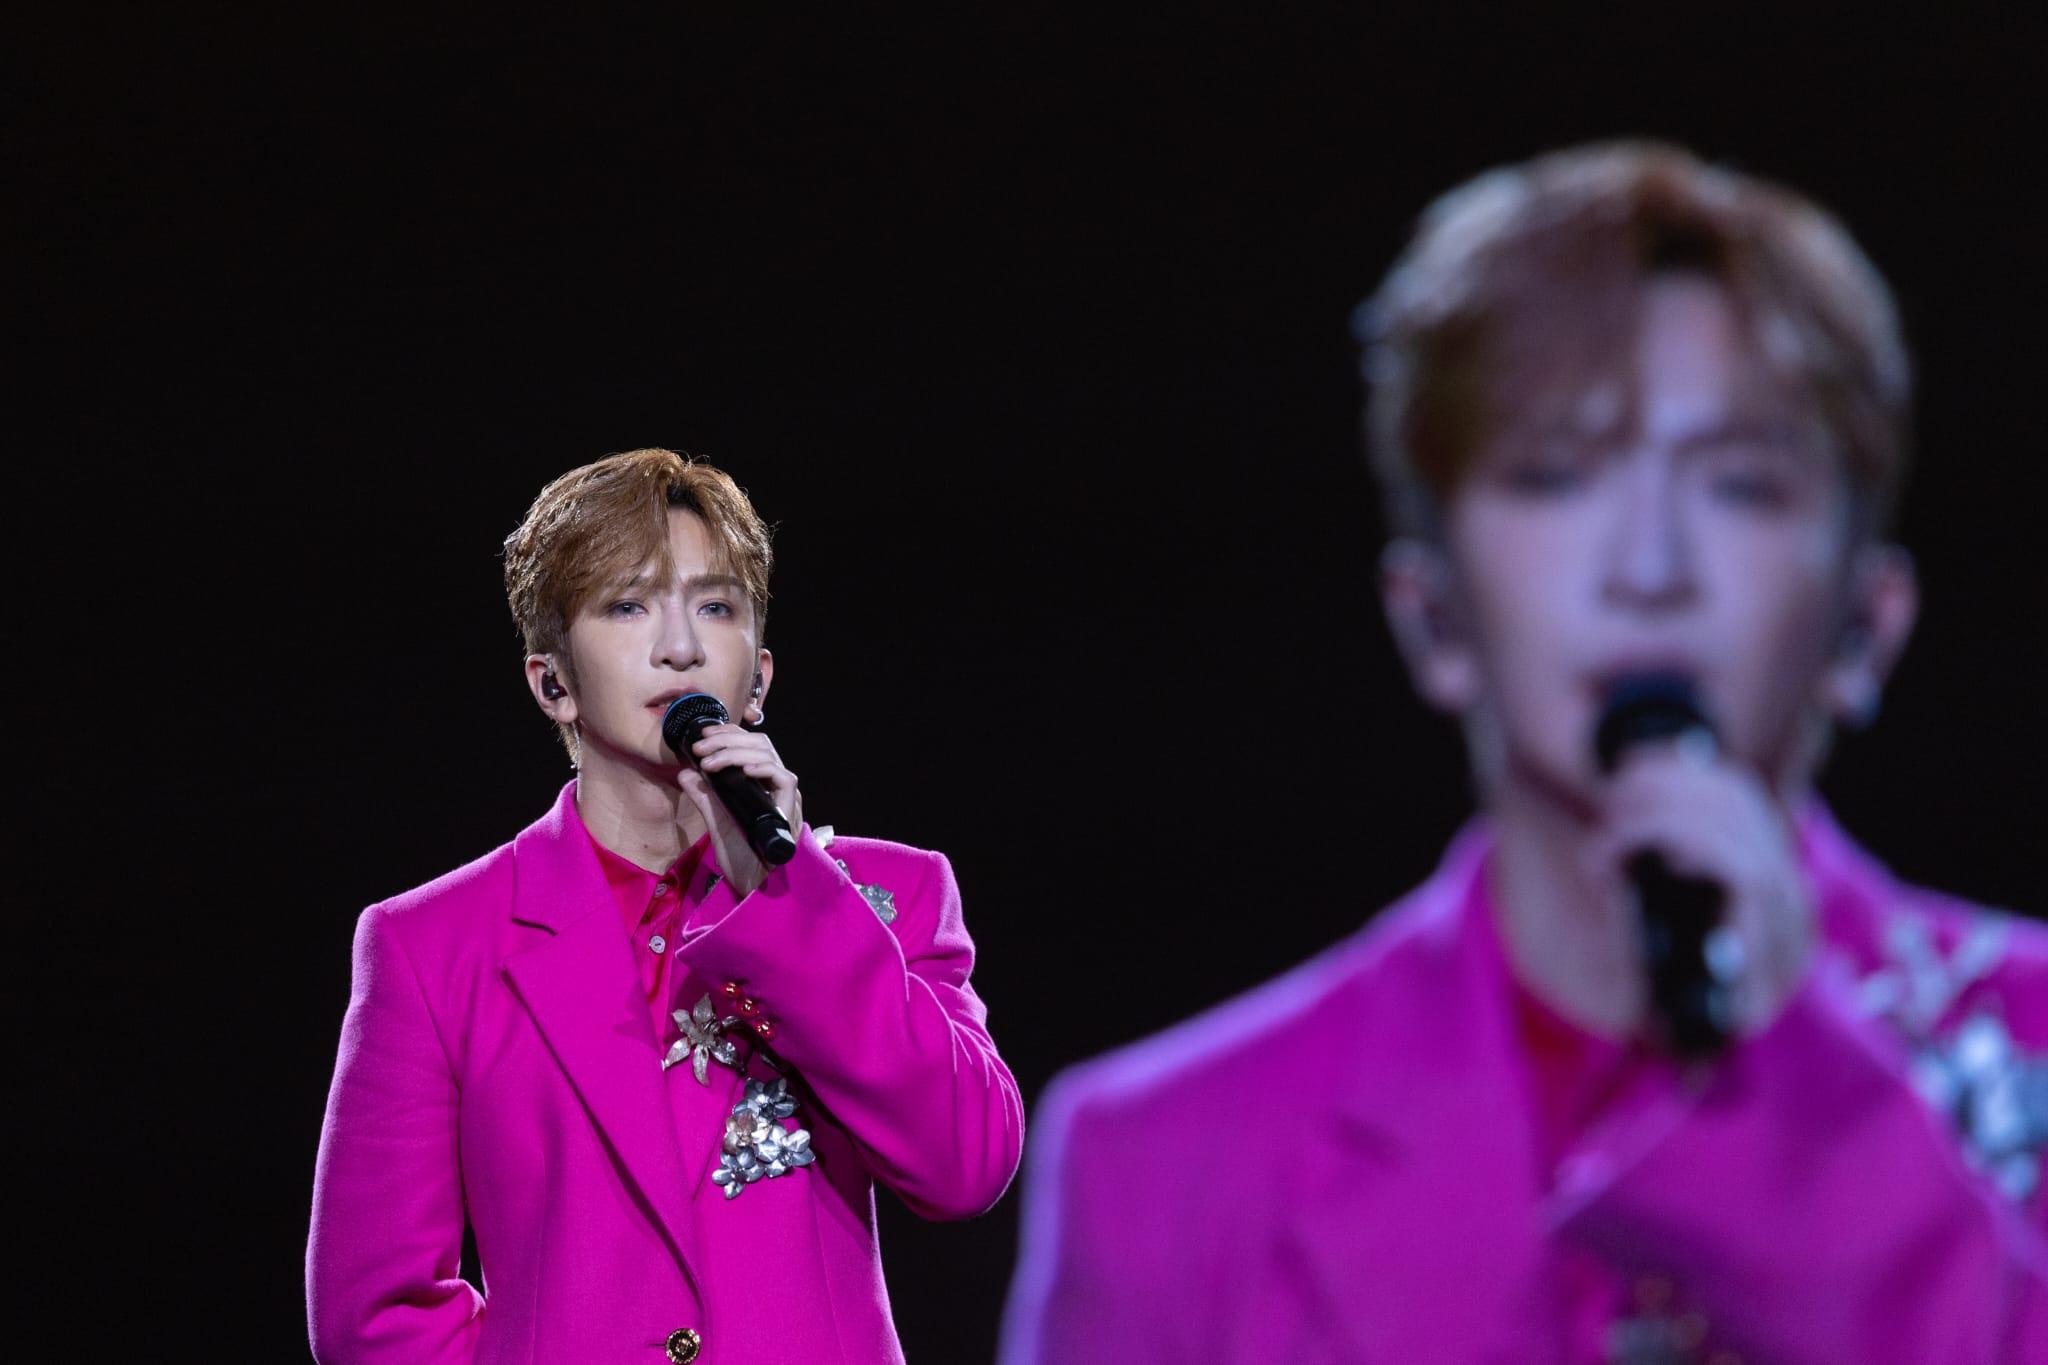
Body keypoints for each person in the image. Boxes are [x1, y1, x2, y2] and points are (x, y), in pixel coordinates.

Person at [999, 143, 2048, 1363]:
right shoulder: (1166, 1161)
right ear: (1432, 619)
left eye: (1740, 487)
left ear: (1864, 627)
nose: (1647, 567)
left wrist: (1807, 1096)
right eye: (1554, 476)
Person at [308, 449, 1023, 1365]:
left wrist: (790, 896)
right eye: (628, 605)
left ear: (759, 678)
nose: (679, 646)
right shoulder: (431, 944)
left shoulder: (888, 895)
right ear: (552, 682)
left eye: (715, 607)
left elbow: (966, 1164)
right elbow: (376, 1316)